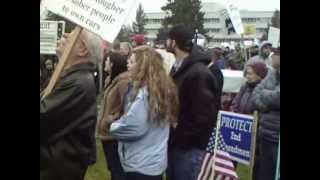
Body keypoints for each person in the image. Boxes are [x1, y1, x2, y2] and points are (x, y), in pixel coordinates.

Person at [40, 28, 103, 180]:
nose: (65, 35)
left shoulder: (79, 83)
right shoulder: (71, 77)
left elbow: (43, 117)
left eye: (73, 34)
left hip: (56, 170)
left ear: (82, 50)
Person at [109, 46, 179, 180]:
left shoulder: (145, 94)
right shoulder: (163, 89)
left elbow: (133, 128)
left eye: (133, 62)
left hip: (139, 162)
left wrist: (112, 125)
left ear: (143, 66)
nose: (128, 65)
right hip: (154, 160)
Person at [166, 25, 219, 180]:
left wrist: (181, 137)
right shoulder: (178, 68)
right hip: (176, 144)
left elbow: (204, 117)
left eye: (168, 39)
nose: (166, 42)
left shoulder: (198, 73)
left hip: (188, 149)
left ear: (174, 43)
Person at [97, 52, 129, 180]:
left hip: (114, 135)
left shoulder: (123, 82)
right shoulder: (109, 80)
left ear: (113, 64)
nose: (105, 63)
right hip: (106, 134)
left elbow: (126, 107)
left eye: (107, 61)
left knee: (118, 170)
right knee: (112, 167)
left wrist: (111, 119)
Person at [252, 54, 280, 180]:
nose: (272, 56)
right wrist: (266, 106)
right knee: (264, 173)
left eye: (276, 54)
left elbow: (278, 98)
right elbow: (255, 93)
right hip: (266, 133)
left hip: (277, 136)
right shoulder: (273, 73)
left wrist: (265, 94)